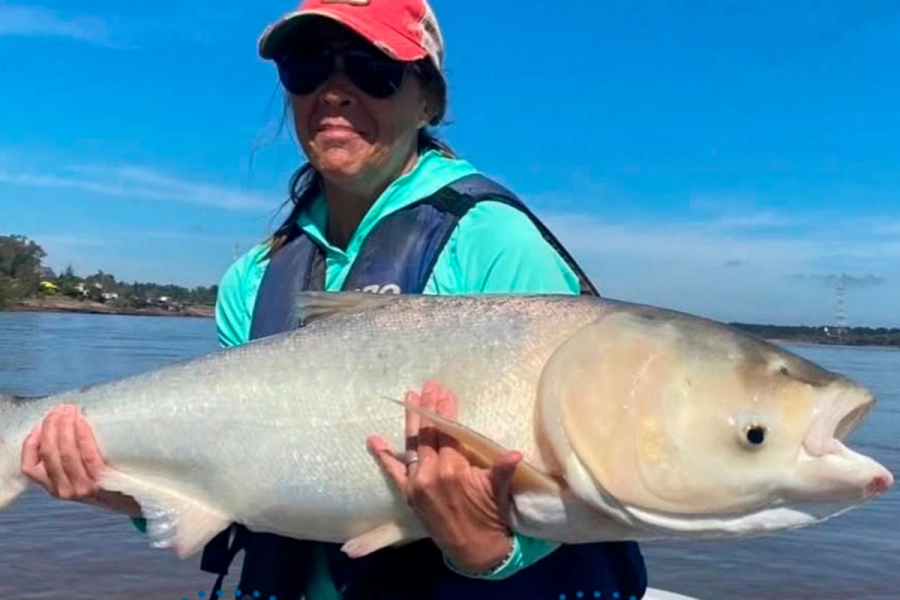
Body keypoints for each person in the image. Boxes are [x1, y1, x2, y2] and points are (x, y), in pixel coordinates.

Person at [19, 1, 648, 599]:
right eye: (309, 66)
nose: (336, 91)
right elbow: (229, 483)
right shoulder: (252, 279)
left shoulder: (495, 242)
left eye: (373, 68)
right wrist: (118, 484)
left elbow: (584, 480)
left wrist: (487, 548)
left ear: (428, 100)